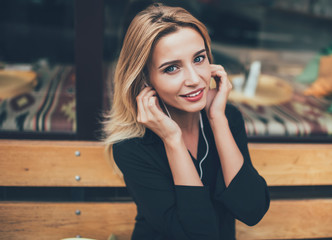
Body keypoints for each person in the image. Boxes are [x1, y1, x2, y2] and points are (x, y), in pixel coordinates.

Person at [103, 3, 270, 240]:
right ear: (145, 80)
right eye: (172, 68)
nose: (194, 79)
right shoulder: (132, 146)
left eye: (199, 59)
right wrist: (173, 141)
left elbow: (252, 210)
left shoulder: (226, 118)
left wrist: (217, 119)